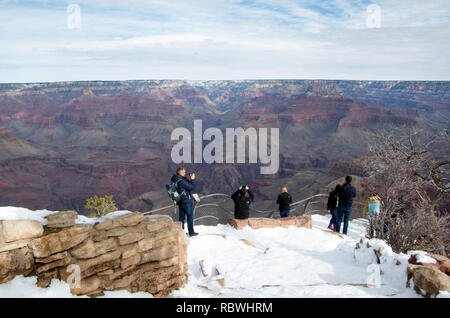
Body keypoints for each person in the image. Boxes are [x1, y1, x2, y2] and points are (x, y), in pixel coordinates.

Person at [170, 167, 198, 237]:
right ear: (181, 173)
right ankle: (191, 232)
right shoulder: (181, 181)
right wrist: (193, 180)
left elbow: (183, 184)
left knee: (181, 218)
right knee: (190, 217)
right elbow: (192, 187)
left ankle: (181, 232)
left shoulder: (174, 179)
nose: (185, 173)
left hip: (180, 201)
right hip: (187, 201)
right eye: (184, 172)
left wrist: (188, 178)